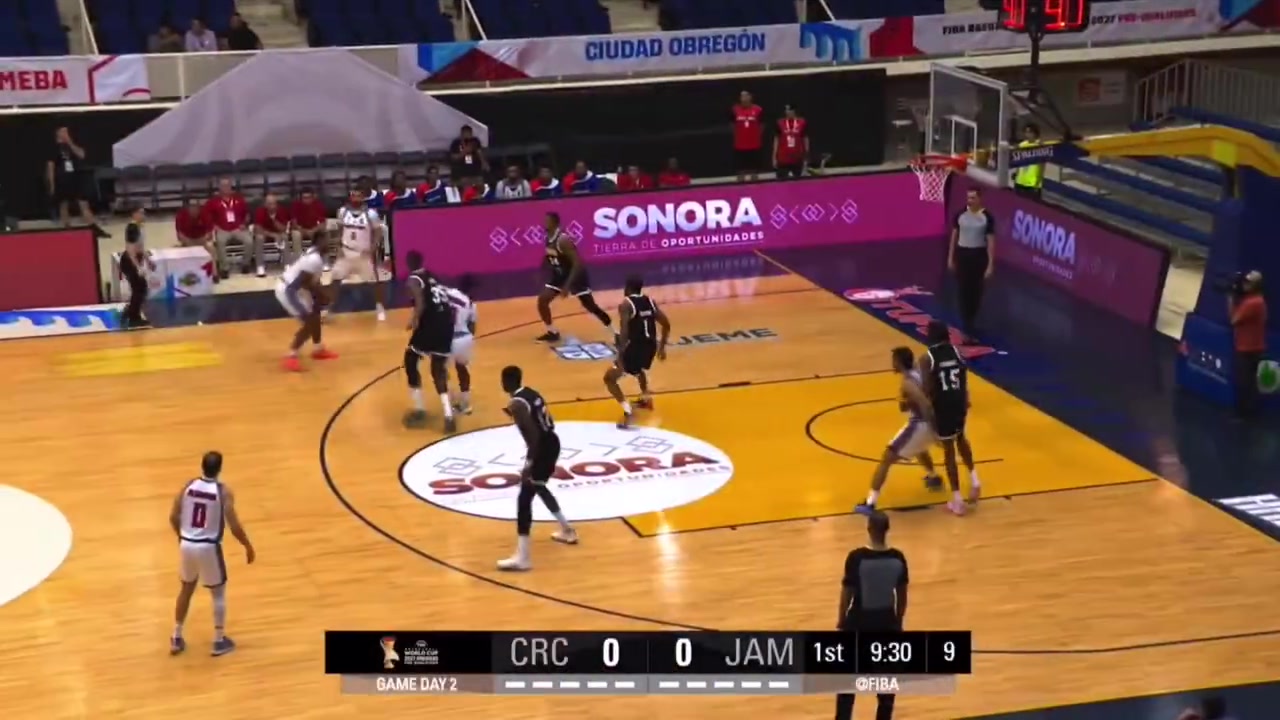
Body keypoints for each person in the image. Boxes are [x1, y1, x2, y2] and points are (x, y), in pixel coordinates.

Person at [168, 451, 255, 657]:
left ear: (202, 466)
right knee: (218, 593)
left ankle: (176, 636)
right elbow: (234, 525)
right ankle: (218, 640)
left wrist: (182, 537)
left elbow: (173, 516)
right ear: (220, 468)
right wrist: (247, 545)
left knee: (186, 589)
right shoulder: (223, 492)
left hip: (187, 544)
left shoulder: (188, 486)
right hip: (208, 547)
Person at [497, 365, 579, 571]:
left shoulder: (516, 404)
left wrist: (529, 464)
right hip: (552, 441)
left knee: (524, 499)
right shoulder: (530, 393)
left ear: (506, 382)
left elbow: (533, 437)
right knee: (539, 487)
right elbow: (544, 421)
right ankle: (567, 530)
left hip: (542, 448)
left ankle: (523, 558)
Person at [835, 510, 906, 720]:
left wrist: (841, 620)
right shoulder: (898, 558)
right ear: (887, 530)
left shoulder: (856, 558)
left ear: (869, 529)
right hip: (887, 625)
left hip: (858, 624)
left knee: (846, 683)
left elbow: (847, 593)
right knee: (886, 687)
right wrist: (898, 622)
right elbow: (902, 597)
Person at [855, 347, 941, 515]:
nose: (892, 363)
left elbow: (925, 404)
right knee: (918, 448)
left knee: (887, 457)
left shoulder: (907, 383)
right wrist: (906, 401)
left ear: (899, 362)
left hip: (923, 423)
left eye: (894, 360)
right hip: (931, 422)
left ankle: (870, 503)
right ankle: (933, 477)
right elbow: (911, 404)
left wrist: (935, 429)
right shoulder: (919, 372)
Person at [919, 320, 982, 514]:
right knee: (961, 438)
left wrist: (926, 410)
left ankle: (957, 500)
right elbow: (963, 376)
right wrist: (965, 398)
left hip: (943, 405)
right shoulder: (957, 352)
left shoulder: (927, 358)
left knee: (949, 451)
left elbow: (927, 388)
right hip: (959, 401)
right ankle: (975, 480)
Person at [534, 212, 614, 343]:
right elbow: (549, 255)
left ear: (555, 223)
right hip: (560, 275)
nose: (545, 223)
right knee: (542, 300)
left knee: (590, 306)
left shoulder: (563, 240)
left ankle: (613, 331)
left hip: (576, 276)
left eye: (548, 221)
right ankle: (552, 332)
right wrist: (542, 270)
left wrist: (567, 286)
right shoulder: (547, 237)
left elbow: (578, 263)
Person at [401, 251, 457, 432]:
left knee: (410, 359)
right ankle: (448, 415)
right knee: (438, 369)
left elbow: (421, 303)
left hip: (431, 324)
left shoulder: (413, 279)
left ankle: (419, 409)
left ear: (409, 263)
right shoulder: (433, 276)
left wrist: (414, 320)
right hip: (446, 324)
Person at [604, 275, 670, 428]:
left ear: (627, 288)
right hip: (650, 346)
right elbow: (666, 324)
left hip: (634, 347)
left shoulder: (626, 304)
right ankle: (646, 399)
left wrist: (620, 355)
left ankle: (628, 412)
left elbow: (624, 332)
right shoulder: (650, 301)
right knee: (638, 369)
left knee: (609, 379)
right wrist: (662, 347)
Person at [275, 237, 338, 371]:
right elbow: (302, 283)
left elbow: (311, 281)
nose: (331, 242)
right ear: (319, 242)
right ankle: (291, 356)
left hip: (298, 289)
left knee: (316, 313)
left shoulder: (315, 254)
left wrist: (319, 297)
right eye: (327, 239)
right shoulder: (314, 259)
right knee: (309, 322)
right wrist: (321, 294)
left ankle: (318, 349)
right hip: (289, 290)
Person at [329, 189, 387, 322]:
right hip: (346, 252)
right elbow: (339, 230)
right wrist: (338, 247)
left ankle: (380, 307)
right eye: (353, 196)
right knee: (335, 280)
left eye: (358, 196)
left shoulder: (371, 214)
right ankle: (330, 309)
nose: (355, 198)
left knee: (375, 282)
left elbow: (378, 232)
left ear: (363, 198)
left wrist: (373, 248)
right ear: (350, 197)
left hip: (363, 253)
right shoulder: (343, 211)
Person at [948, 188, 996, 338]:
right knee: (963, 289)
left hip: (978, 255)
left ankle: (971, 318)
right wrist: (950, 257)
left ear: (980, 199)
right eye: (968, 197)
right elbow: (954, 236)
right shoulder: (960, 215)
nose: (970, 201)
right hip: (963, 254)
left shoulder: (987, 217)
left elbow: (990, 241)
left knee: (976, 291)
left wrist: (990, 264)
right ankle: (966, 323)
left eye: (973, 198)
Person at [1229, 270, 1267, 419]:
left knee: (1244, 383)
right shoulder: (1258, 300)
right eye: (1245, 281)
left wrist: (1230, 299)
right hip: (1255, 348)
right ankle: (1249, 413)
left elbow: (1233, 320)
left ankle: (1243, 415)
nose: (1245, 284)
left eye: (1249, 283)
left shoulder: (1252, 303)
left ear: (1256, 286)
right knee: (1250, 383)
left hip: (1247, 350)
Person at [47, 127, 98, 230]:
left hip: (75, 178)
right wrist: (52, 184)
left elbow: (82, 155)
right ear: (58, 134)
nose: (66, 133)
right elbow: (50, 166)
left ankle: (93, 227)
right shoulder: (54, 148)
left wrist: (70, 142)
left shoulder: (72, 145)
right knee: (64, 204)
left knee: (83, 202)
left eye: (67, 132)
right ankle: (67, 228)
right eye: (63, 132)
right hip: (62, 179)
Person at [444, 276, 479, 416]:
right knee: (462, 369)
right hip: (463, 338)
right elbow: (472, 327)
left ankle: (450, 401)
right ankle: (465, 403)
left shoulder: (447, 293)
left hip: (445, 339)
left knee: (441, 371)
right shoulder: (471, 304)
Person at [119, 206, 154, 329]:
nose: (144, 215)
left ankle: (130, 312)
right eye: (141, 213)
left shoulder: (139, 227)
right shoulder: (132, 228)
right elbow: (130, 250)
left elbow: (140, 247)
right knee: (139, 288)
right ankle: (133, 318)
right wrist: (138, 267)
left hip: (135, 260)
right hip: (129, 261)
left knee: (140, 288)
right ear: (134, 214)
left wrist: (148, 260)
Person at [732, 90, 764, 182]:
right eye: (742, 96)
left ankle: (756, 187)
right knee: (740, 172)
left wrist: (755, 135)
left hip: (754, 145)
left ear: (751, 97)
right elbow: (731, 124)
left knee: (754, 172)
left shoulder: (758, 110)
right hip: (740, 145)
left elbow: (762, 125)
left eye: (746, 96)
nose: (744, 98)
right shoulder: (734, 110)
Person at [773, 104, 808, 180]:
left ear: (794, 111)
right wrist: (774, 157)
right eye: (786, 110)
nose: (788, 112)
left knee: (798, 182)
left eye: (790, 110)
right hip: (783, 158)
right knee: (781, 182)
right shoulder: (779, 123)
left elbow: (805, 139)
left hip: (797, 158)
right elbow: (776, 140)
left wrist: (806, 155)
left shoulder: (802, 122)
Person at [1013, 123, 1044, 199]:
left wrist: (1038, 181)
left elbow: (1042, 165)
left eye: (1030, 132)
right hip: (1020, 181)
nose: (1028, 135)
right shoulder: (1022, 145)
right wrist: (1016, 173)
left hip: (1032, 183)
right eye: (1026, 132)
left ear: (1035, 133)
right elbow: (1018, 161)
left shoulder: (1039, 146)